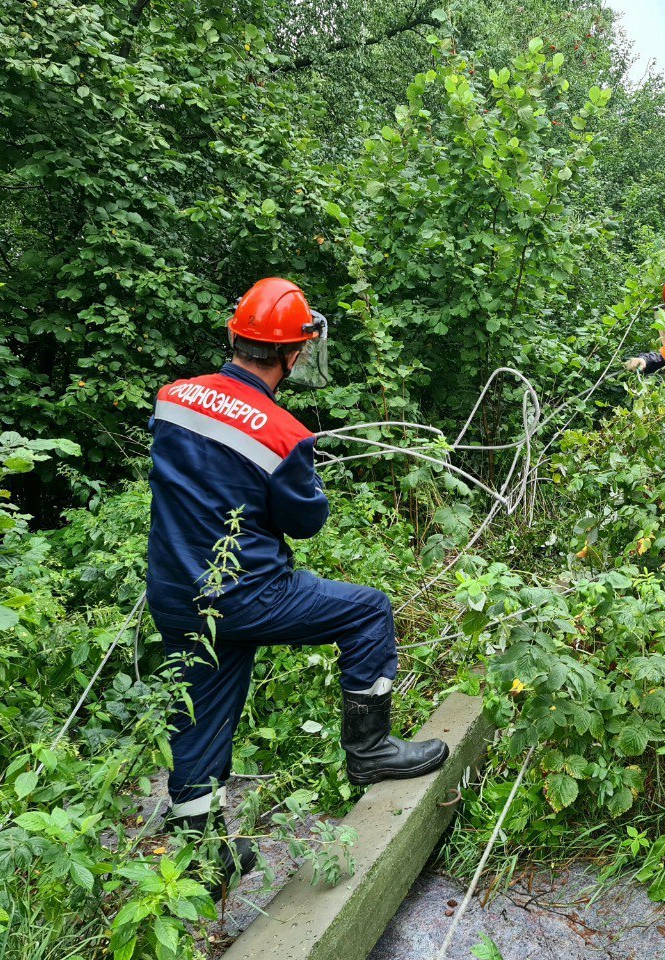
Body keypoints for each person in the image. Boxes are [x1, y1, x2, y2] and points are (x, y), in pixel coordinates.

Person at [146, 277, 449, 891]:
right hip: (249, 594)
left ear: (235, 336)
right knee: (369, 612)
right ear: (294, 352)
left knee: (200, 714)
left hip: (177, 593)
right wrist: (305, 474)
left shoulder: (172, 399)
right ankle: (371, 751)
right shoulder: (284, 434)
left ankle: (203, 860)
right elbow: (305, 522)